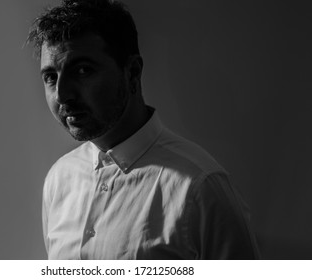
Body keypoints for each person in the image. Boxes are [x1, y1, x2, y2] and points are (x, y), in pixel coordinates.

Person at [27, 0, 260, 259]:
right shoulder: (60, 179)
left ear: (132, 72)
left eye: (82, 70)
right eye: (50, 77)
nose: (62, 94)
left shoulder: (200, 188)